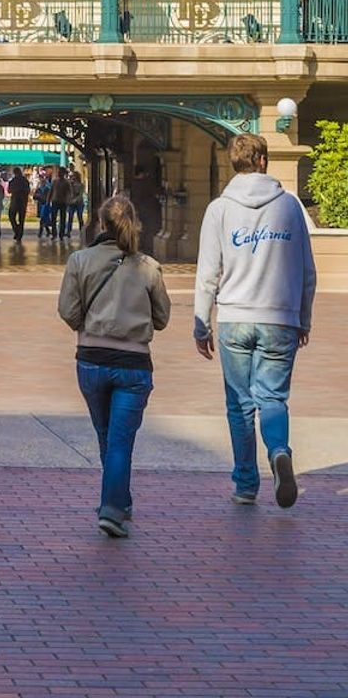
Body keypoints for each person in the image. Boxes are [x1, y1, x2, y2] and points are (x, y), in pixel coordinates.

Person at [194, 133, 316, 509]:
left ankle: (246, 483)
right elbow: (307, 271)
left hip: (234, 317)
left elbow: (207, 273)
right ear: (263, 161)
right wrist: (303, 318)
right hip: (280, 317)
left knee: (240, 404)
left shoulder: (219, 209)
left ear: (234, 162)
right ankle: (279, 451)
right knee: (274, 398)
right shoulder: (290, 207)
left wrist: (201, 322)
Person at [57, 195, 170, 538]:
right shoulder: (148, 266)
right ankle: (113, 507)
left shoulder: (80, 260)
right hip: (134, 364)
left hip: (91, 361)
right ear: (133, 225)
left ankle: (117, 502)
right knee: (121, 440)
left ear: (100, 224)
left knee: (107, 436)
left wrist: (87, 323)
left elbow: (67, 310)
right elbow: (162, 318)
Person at [128, 165, 162, 254]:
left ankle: (138, 246)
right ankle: (147, 248)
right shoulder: (146, 183)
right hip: (147, 209)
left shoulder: (133, 183)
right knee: (148, 229)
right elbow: (154, 192)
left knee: (139, 228)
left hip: (137, 209)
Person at [7, 167, 31, 243]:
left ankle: (17, 231)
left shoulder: (13, 181)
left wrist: (16, 191)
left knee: (11, 217)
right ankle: (19, 234)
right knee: (21, 219)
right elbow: (28, 190)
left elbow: (9, 190)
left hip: (15, 202)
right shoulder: (25, 181)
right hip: (23, 202)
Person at [50, 167, 72, 241]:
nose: (59, 173)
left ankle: (61, 234)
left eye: (60, 172)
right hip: (55, 201)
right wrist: (48, 200)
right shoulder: (54, 181)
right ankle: (54, 233)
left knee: (63, 218)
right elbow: (51, 190)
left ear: (63, 173)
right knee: (53, 218)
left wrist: (68, 200)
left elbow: (70, 192)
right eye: (58, 172)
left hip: (63, 202)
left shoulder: (66, 182)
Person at [34, 171, 54, 239]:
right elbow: (34, 197)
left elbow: (50, 197)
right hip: (40, 205)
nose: (42, 182)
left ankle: (41, 232)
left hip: (46, 205)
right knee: (44, 219)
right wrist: (38, 195)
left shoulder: (47, 189)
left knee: (43, 219)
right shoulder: (39, 189)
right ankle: (48, 231)